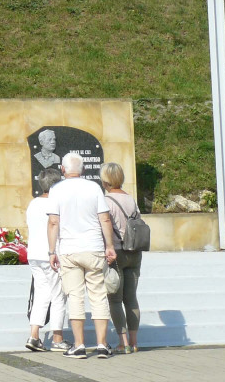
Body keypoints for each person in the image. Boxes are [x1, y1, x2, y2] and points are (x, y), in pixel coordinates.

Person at [47, 152, 117, 359]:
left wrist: (52, 251)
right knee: (98, 295)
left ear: (62, 169)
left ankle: (79, 345)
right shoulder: (94, 188)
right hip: (94, 247)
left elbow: (53, 222)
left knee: (75, 297)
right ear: (84, 169)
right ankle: (102, 344)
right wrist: (110, 246)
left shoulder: (56, 190)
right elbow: (104, 219)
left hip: (69, 249)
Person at [25, 168, 70, 353]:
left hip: (34, 254)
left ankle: (34, 335)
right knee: (58, 295)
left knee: (42, 294)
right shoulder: (55, 203)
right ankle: (57, 338)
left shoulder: (33, 203)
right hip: (51, 254)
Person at [101, 162, 143, 354]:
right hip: (135, 252)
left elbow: (105, 224)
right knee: (131, 299)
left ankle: (123, 342)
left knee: (115, 300)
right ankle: (134, 342)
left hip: (116, 253)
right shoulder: (131, 199)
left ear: (106, 180)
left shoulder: (105, 201)